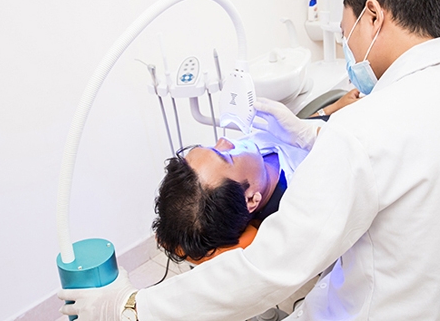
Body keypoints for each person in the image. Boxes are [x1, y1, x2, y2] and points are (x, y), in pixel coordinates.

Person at [59, 0, 440, 321]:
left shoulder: (362, 131)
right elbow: (411, 154)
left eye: (347, 33)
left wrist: (132, 306)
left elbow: (266, 270)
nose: (349, 49)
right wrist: (309, 135)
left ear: (374, 16)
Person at [153, 88, 360, 263]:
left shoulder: (250, 165)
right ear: (252, 199)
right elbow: (361, 153)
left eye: (211, 147)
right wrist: (317, 131)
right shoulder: (307, 191)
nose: (224, 141)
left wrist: (332, 109)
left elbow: (296, 133)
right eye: (227, 156)